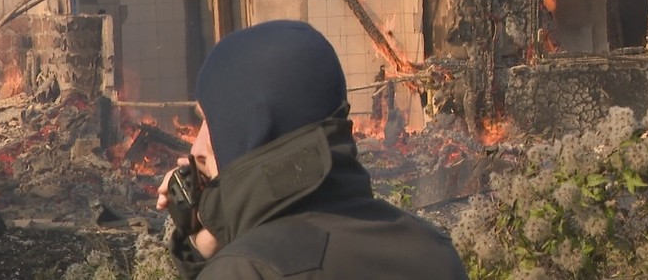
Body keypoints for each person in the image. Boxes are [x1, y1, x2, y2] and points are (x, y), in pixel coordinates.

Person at [156, 19, 469, 279]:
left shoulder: (245, 271)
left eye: (210, 121)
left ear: (254, 124)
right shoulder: (433, 250)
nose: (197, 148)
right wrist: (214, 237)